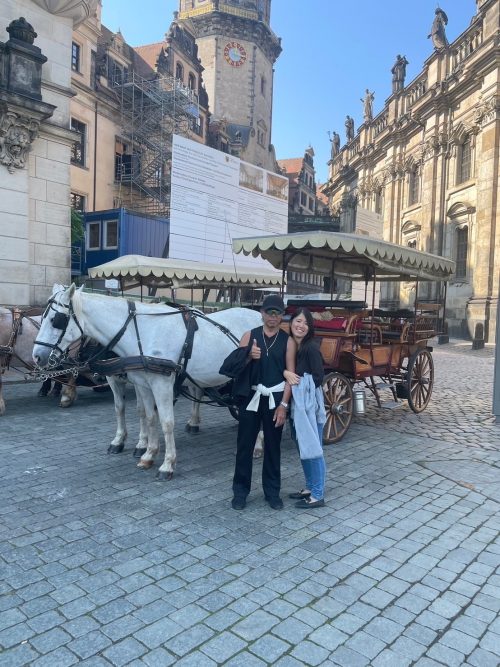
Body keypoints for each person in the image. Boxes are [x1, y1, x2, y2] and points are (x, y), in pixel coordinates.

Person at [231, 294, 296, 511]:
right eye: (269, 312)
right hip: (251, 397)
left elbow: (290, 375)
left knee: (273, 447)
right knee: (244, 446)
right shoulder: (249, 336)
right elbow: (235, 369)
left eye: (277, 313)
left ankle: (272, 492)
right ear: (262, 313)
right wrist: (249, 355)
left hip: (275, 399)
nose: (273, 317)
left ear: (282, 316)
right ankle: (240, 491)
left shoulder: (288, 342)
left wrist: (284, 406)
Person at [284, 308, 327, 509]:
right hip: (299, 405)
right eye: (298, 321)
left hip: (310, 405)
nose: (301, 326)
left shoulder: (310, 348)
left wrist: (297, 380)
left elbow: (318, 377)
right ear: (292, 322)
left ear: (310, 328)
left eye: (305, 323)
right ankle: (310, 487)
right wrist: (287, 373)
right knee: (304, 446)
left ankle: (318, 495)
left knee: (314, 448)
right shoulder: (296, 347)